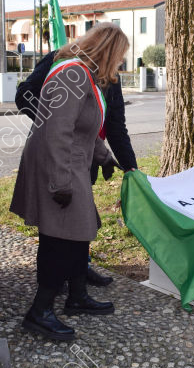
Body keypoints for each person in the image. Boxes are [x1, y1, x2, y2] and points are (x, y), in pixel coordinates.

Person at [10, 23, 129, 340]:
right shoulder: (73, 75)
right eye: (119, 56)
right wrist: (60, 182)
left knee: (76, 235)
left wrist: (104, 157)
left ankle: (76, 297)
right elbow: (57, 132)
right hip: (60, 165)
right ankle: (40, 312)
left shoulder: (84, 75)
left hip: (72, 162)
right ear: (107, 51)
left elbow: (83, 128)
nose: (120, 63)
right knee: (60, 240)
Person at [16, 46, 138, 288]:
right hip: (57, 156)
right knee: (54, 224)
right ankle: (52, 283)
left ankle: (79, 275)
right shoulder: (62, 59)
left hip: (88, 156)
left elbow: (116, 125)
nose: (120, 61)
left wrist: (129, 166)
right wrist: (51, 122)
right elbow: (24, 95)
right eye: (118, 55)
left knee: (80, 220)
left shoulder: (110, 74)